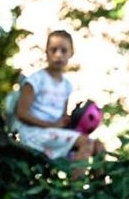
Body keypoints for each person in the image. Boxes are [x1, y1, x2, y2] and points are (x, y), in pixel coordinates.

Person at [14, 29, 105, 162]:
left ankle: (99, 183)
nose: (58, 55)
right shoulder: (35, 80)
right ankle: (75, 183)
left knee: (99, 146)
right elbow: (21, 114)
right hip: (34, 134)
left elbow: (61, 117)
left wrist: (75, 118)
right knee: (86, 143)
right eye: (53, 50)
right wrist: (51, 125)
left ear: (71, 53)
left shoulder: (67, 85)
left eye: (63, 50)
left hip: (54, 133)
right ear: (46, 52)